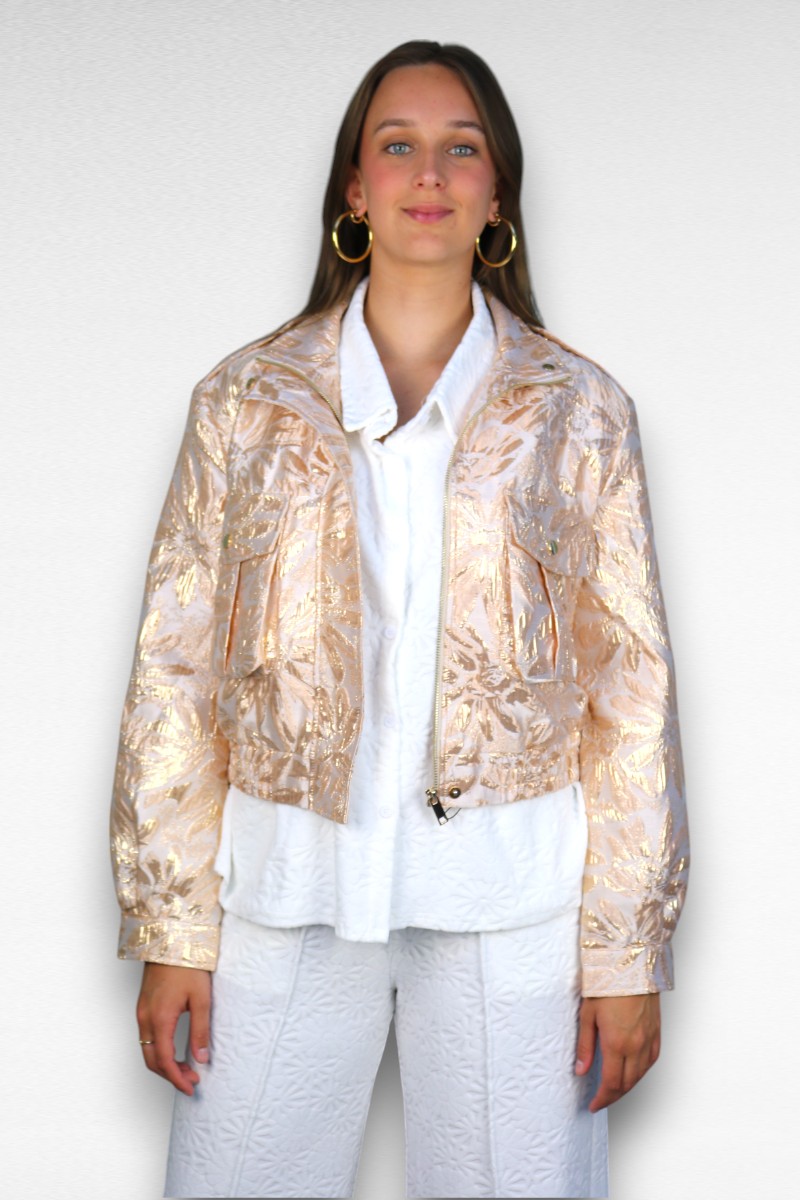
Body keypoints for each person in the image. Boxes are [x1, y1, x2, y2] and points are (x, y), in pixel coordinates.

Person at [110, 39, 689, 1200]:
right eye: (397, 145)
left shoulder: (579, 411)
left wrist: (625, 948)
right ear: (354, 189)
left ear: (496, 194)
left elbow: (629, 692)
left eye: (460, 149)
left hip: (509, 896)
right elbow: (174, 668)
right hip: (286, 880)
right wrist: (171, 926)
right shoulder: (244, 401)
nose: (429, 173)